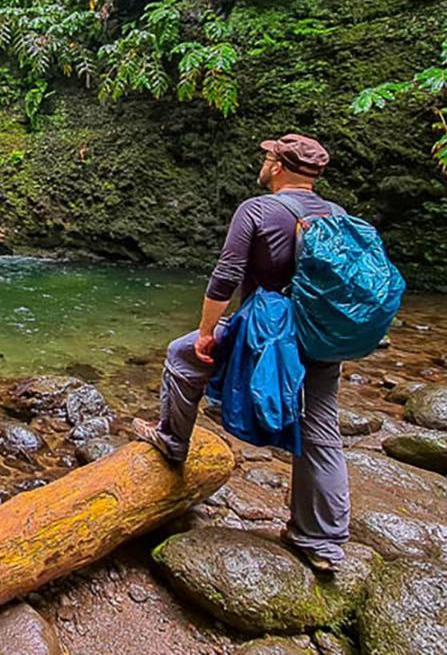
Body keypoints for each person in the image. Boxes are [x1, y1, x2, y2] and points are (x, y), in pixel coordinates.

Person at [133, 133, 349, 572]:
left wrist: (207, 333)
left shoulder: (257, 210)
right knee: (321, 428)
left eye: (268, 156)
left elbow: (226, 274)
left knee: (181, 356)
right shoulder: (337, 214)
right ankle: (322, 542)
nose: (264, 161)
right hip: (320, 335)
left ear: (280, 166)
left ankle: (173, 440)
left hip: (267, 333)